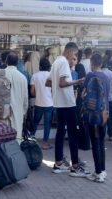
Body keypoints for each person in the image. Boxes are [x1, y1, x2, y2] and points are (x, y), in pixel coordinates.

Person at [45, 42, 89, 177]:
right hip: (67, 103)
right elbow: (62, 83)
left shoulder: (56, 62)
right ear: (70, 51)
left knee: (60, 132)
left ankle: (58, 163)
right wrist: (77, 81)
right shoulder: (63, 62)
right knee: (72, 134)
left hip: (58, 103)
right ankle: (75, 166)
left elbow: (48, 82)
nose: (74, 56)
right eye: (74, 54)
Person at [82, 54, 110, 183]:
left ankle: (98, 173)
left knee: (95, 143)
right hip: (104, 113)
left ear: (92, 63)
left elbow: (83, 95)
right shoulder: (106, 76)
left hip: (93, 115)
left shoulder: (90, 76)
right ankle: (102, 170)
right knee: (101, 143)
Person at [0, 52, 28, 140]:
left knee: (0, 138)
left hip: (0, 113)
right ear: (17, 63)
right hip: (16, 112)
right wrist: (24, 111)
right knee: (16, 138)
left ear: (6, 62)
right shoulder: (22, 77)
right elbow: (25, 97)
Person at [30, 58, 53, 150]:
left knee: (35, 122)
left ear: (40, 66)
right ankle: (45, 144)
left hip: (38, 103)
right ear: (49, 67)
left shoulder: (35, 76)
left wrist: (38, 95)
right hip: (49, 104)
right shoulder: (51, 76)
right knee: (47, 124)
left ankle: (31, 140)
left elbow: (32, 92)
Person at [101, 60, 112, 141]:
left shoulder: (99, 74)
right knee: (109, 117)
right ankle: (110, 134)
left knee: (101, 116)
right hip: (110, 98)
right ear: (106, 65)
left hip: (101, 99)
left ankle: (102, 134)